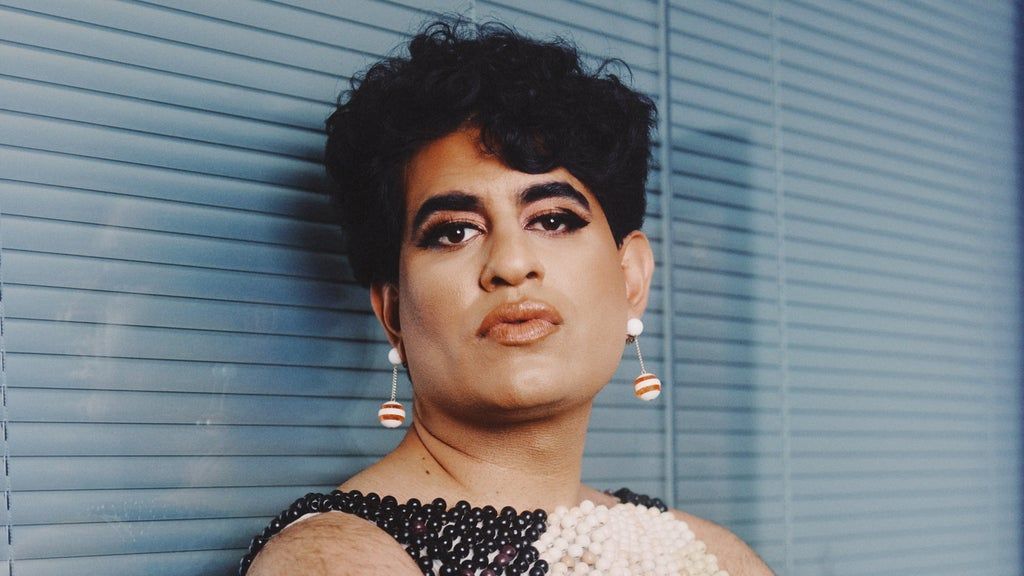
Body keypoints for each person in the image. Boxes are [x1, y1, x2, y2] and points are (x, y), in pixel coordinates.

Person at [241, 19, 774, 576]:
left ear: (631, 280)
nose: (512, 264)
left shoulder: (715, 556)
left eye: (553, 219)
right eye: (455, 231)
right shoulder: (332, 558)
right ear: (393, 312)